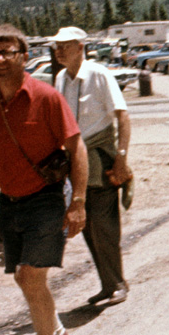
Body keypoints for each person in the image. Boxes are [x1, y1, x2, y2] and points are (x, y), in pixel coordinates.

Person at [0, 24, 88, 335]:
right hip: (10, 203)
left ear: (25, 57)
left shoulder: (46, 97)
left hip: (47, 199)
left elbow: (76, 148)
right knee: (24, 278)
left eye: (7, 53)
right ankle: (58, 331)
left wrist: (78, 201)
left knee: (31, 276)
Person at [52, 26, 133, 307]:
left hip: (99, 157)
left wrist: (121, 157)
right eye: (57, 46)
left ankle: (118, 283)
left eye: (66, 45)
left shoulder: (98, 74)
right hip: (76, 159)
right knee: (86, 225)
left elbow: (122, 116)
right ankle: (107, 284)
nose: (59, 51)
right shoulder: (62, 78)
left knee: (104, 224)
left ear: (80, 48)